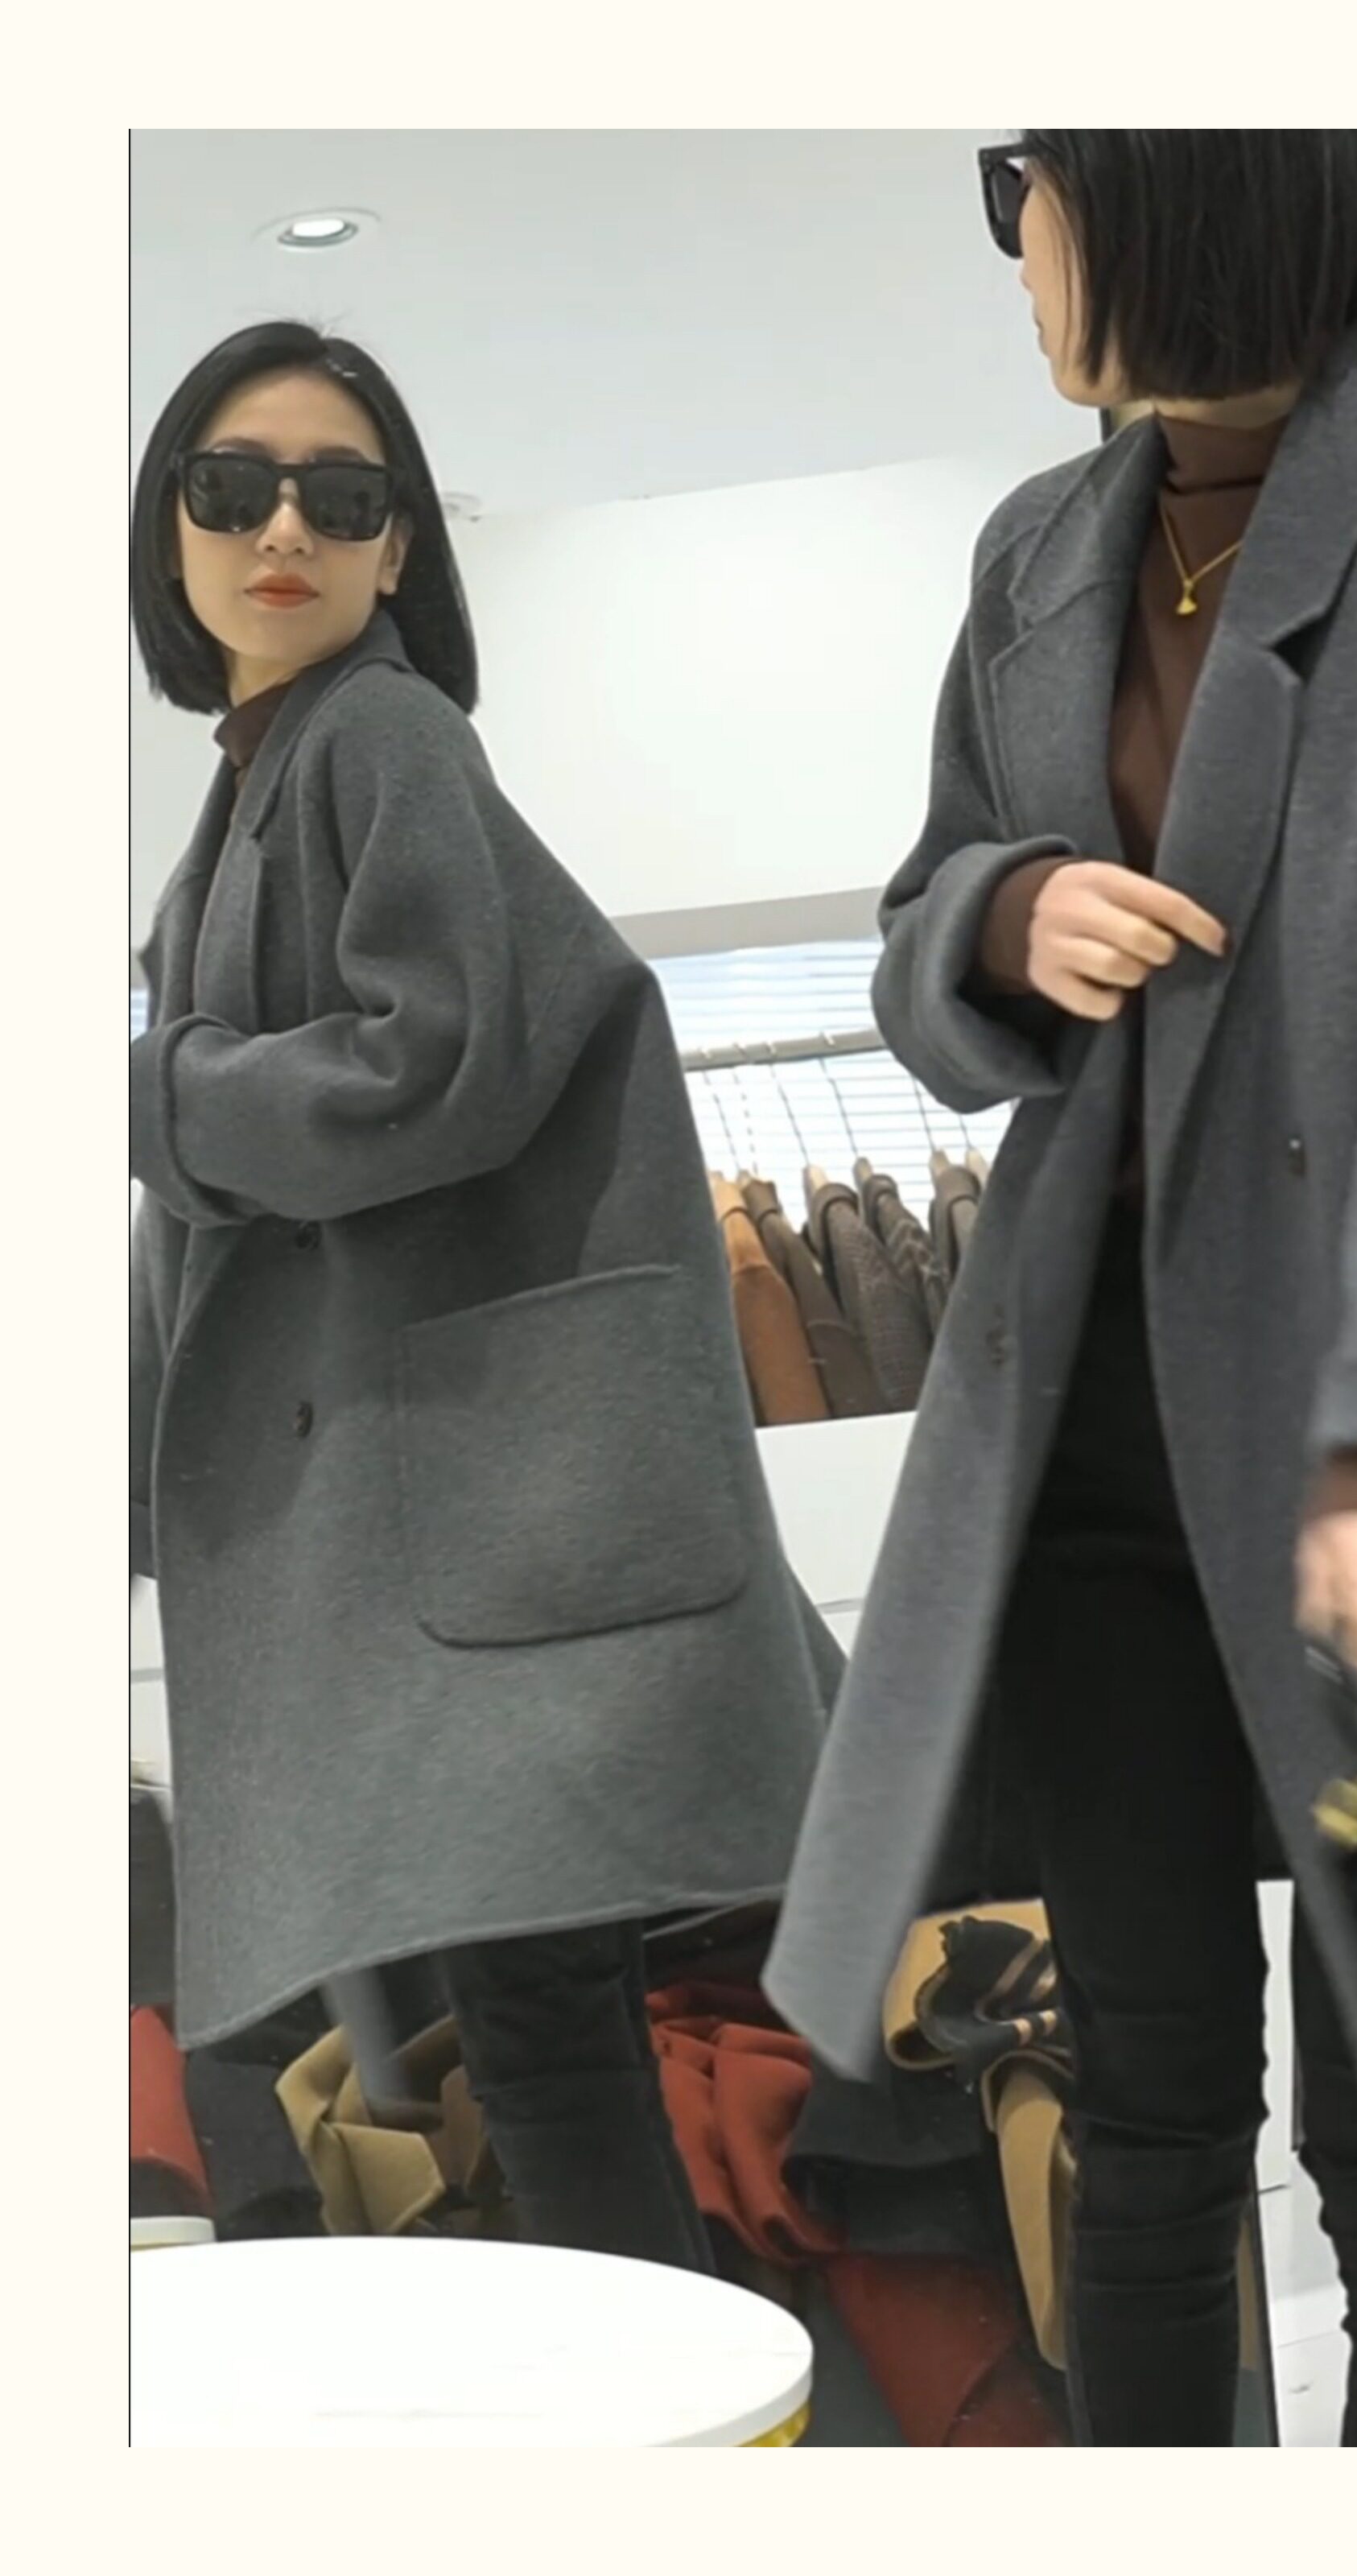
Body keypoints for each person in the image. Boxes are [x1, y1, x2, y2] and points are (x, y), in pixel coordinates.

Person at [765, 133, 1357, 2443]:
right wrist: (1002, 917)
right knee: (1145, 2114)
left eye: (1032, 180)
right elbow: (921, 918)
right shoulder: (1037, 549)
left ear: (1192, 195)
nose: (1013, 237)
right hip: (1094, 1463)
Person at [130, 322, 839, 2268]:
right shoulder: (265, 775)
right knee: (537, 2031)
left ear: (398, 547)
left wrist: (153, 1092)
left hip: (488, 1537)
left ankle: (685, 2410)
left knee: (541, 2033)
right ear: (170, 531)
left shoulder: (381, 736)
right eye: (234, 487)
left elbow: (432, 1060)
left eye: (341, 496)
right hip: (464, 1532)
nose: (285, 528)